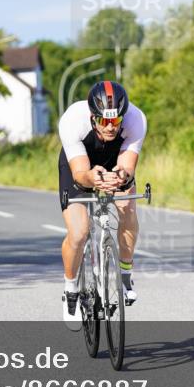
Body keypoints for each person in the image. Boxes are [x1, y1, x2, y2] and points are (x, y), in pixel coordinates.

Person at [57, 80, 146, 330]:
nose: (110, 127)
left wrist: (121, 176)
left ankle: (125, 277)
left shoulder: (136, 119)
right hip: (80, 165)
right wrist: (92, 177)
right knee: (80, 231)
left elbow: (128, 165)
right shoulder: (73, 120)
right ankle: (71, 289)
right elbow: (79, 174)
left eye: (116, 121)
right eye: (104, 121)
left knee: (128, 206)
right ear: (93, 117)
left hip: (113, 160)